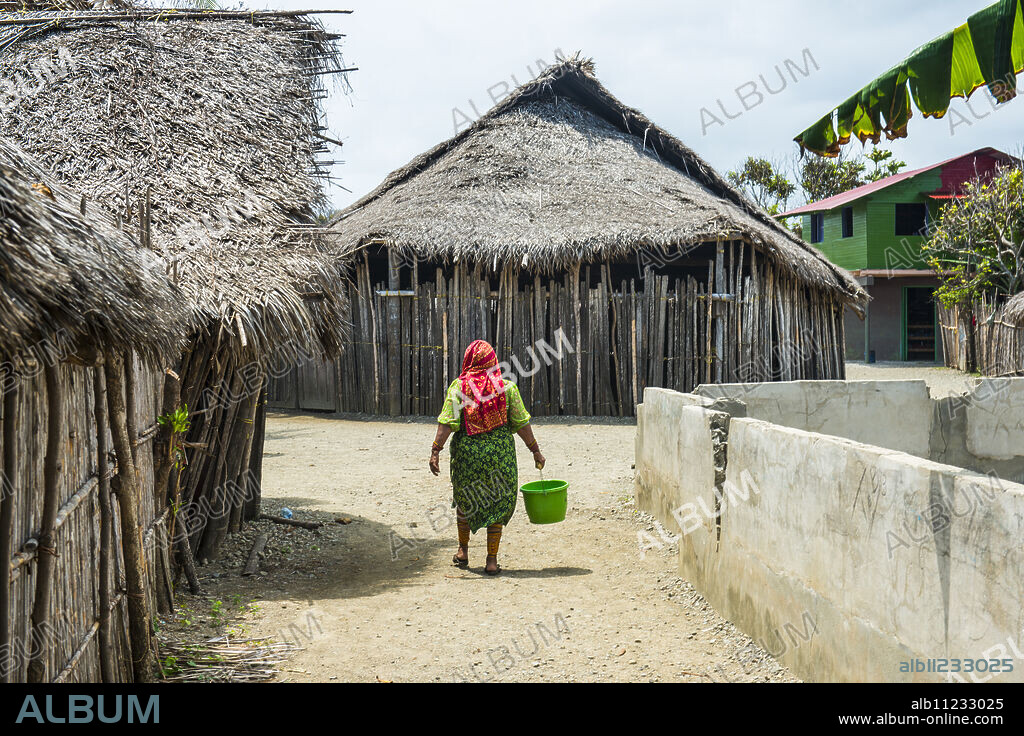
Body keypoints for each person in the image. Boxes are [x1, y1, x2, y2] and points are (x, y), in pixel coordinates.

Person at [429, 340, 545, 575]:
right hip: (500, 457)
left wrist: (435, 450)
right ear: (492, 362)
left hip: (467, 457)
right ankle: (491, 561)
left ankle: (463, 551)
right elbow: (522, 423)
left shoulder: (458, 388)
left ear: (468, 361)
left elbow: (447, 423)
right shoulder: (506, 389)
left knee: (465, 501)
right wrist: (535, 450)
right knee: (497, 503)